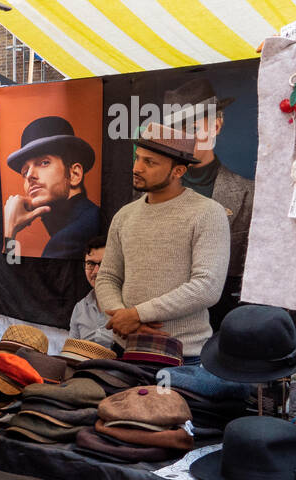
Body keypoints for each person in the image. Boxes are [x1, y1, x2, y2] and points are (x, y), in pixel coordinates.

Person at [95, 123, 230, 359]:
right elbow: (108, 276)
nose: (137, 168)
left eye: (150, 162)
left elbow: (207, 287)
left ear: (178, 172)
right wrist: (121, 316)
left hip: (182, 354)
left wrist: (137, 315)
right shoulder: (125, 215)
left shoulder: (207, 212)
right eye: (138, 158)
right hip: (124, 347)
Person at [169, 77, 254, 329]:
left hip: (223, 319)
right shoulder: (152, 191)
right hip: (164, 315)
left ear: (216, 125)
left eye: (194, 127)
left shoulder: (247, 193)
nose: (185, 138)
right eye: (177, 129)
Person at [3, 115, 100, 259]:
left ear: (74, 174)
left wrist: (10, 233)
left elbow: (10, 278)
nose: (29, 175)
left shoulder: (70, 238)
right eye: (24, 172)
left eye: (44, 163)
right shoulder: (89, 218)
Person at [68, 235, 116, 348]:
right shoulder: (80, 308)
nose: (96, 271)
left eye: (103, 264)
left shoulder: (128, 306)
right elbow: (71, 351)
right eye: (90, 264)